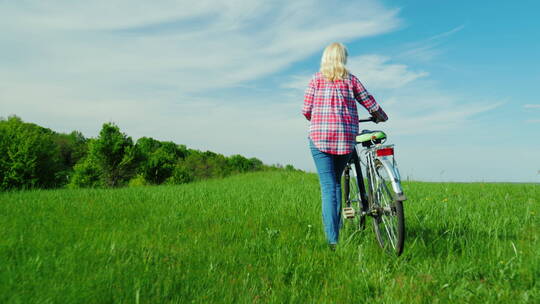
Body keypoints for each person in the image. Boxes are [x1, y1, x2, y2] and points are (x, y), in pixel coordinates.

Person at [302, 42, 388, 249]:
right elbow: (370, 103)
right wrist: (381, 117)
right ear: (343, 59)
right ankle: (337, 229)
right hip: (344, 140)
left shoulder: (315, 79)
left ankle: (333, 241)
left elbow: (306, 110)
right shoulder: (351, 80)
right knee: (336, 183)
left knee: (329, 187)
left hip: (320, 139)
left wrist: (320, 116)